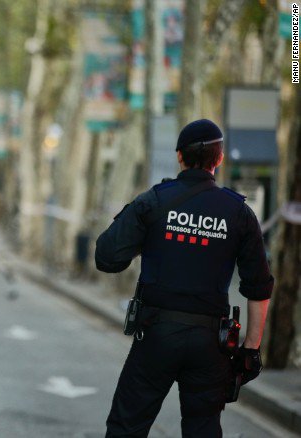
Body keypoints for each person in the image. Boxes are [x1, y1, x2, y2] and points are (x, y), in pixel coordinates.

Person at [95, 119, 274, 437]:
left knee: (126, 427)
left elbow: (107, 258)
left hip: (156, 335)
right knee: (203, 429)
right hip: (211, 343)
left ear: (179, 156)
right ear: (219, 159)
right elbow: (259, 286)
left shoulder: (154, 201)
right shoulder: (239, 213)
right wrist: (251, 349)